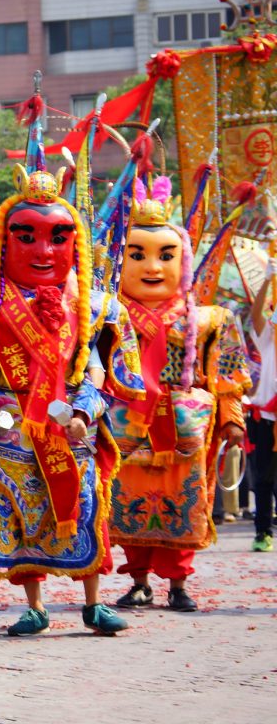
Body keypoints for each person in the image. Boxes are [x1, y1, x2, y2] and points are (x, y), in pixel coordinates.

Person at [0, 164, 141, 636]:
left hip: (69, 426)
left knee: (81, 512)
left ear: (74, 242)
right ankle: (35, 606)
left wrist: (84, 409)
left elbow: (101, 372)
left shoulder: (96, 306)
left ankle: (93, 603)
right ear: (4, 240)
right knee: (21, 520)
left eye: (58, 238)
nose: (43, 250)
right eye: (27, 236)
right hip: (7, 429)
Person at [105, 178, 249, 612]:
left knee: (183, 503)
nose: (152, 267)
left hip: (184, 428)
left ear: (183, 260)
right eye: (138, 255)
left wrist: (232, 419)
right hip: (126, 426)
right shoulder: (106, 315)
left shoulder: (208, 319)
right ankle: (139, 580)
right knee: (125, 504)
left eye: (166, 256)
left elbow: (226, 376)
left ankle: (179, 583)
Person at [246, 261, 277, 552]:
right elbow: (255, 316)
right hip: (265, 418)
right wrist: (267, 281)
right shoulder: (270, 337)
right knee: (263, 479)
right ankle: (263, 532)